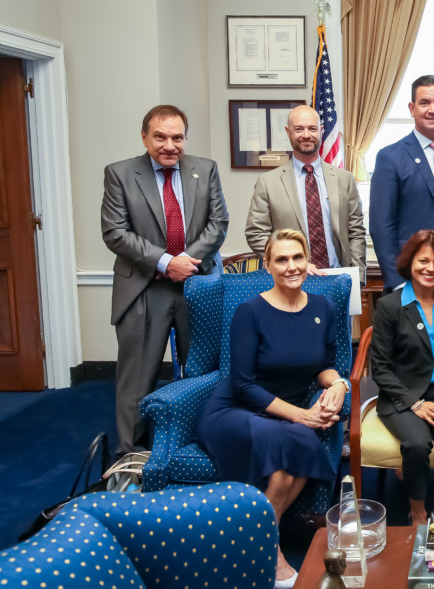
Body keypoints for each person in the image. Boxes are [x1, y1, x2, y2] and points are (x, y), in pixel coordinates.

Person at [197, 229, 348, 588]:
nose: (292, 266)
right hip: (235, 410)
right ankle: (273, 552)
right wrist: (303, 415)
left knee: (290, 456)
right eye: (281, 259)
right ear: (268, 265)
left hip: (282, 414)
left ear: (307, 260)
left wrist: (339, 383)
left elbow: (323, 365)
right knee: (292, 443)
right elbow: (243, 384)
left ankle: (259, 539)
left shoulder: (321, 307)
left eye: (297, 257)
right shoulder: (249, 312)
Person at [101, 104, 229, 457]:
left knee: (203, 373)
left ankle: (197, 448)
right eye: (160, 136)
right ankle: (131, 457)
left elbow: (217, 224)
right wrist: (165, 261)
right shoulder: (121, 174)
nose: (169, 145)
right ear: (145, 137)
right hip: (145, 288)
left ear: (185, 138)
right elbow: (114, 233)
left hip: (197, 285)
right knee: (137, 380)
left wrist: (185, 263)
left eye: (177, 137)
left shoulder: (205, 170)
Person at [368, 229, 434, 526]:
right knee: (416, 444)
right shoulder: (390, 306)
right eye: (423, 261)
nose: (431, 269)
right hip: (402, 396)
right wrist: (414, 403)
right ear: (409, 262)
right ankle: (416, 509)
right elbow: (380, 368)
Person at [369, 75, 434, 294]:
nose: (433, 109)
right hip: (411, 276)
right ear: (411, 107)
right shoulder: (390, 157)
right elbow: (381, 226)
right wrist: (397, 282)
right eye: (425, 103)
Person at [244, 105, 366, 281]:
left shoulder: (345, 179)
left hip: (338, 278)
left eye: (312, 128)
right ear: (288, 132)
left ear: (321, 131)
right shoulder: (268, 182)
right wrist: (291, 261)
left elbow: (356, 232)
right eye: (299, 129)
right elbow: (256, 232)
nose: (306, 135)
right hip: (290, 279)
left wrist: (358, 276)